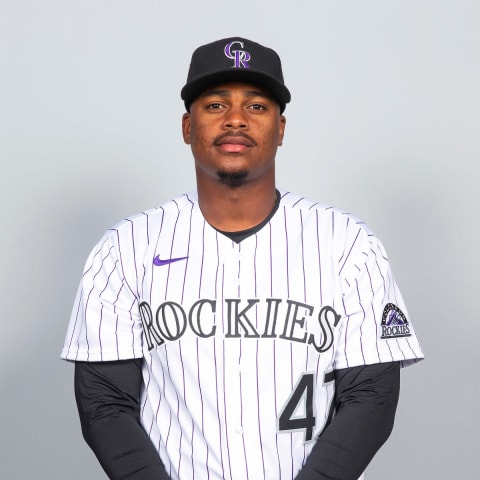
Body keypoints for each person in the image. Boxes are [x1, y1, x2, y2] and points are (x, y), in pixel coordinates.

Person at [61, 37, 424, 480]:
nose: (235, 119)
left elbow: (371, 397)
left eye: (256, 106)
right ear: (187, 127)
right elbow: (104, 402)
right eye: (215, 105)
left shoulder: (347, 244)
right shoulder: (125, 247)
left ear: (281, 128)